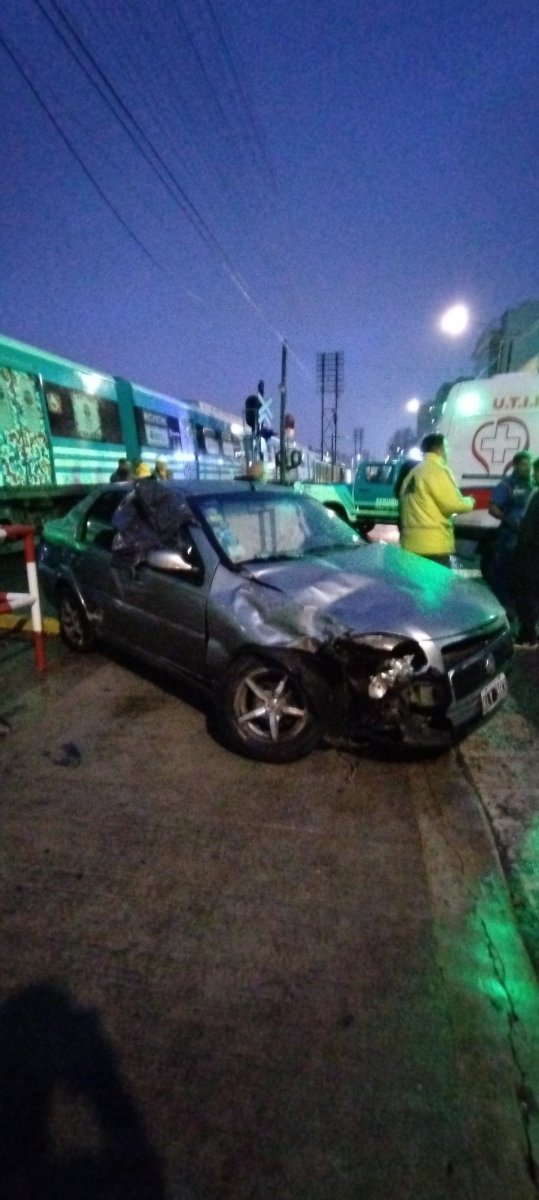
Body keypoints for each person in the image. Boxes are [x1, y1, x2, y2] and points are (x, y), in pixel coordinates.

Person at [399, 433, 475, 567]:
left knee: (414, 586)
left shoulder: (414, 473)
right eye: (447, 447)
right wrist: (469, 502)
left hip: (410, 544)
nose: (449, 451)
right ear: (439, 449)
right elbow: (452, 505)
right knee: (438, 587)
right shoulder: (436, 470)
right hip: (432, 547)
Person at [487, 450, 533, 611]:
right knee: (503, 572)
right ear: (515, 465)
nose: (527, 468)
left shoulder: (532, 484)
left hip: (528, 538)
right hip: (509, 537)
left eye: (529, 465)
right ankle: (499, 608)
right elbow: (493, 508)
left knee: (523, 575)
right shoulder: (506, 485)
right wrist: (508, 519)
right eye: (523, 465)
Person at [511, 486, 539, 648]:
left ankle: (528, 636)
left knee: (527, 593)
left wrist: (520, 552)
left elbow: (528, 529)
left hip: (532, 553)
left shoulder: (536, 497)